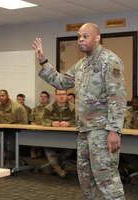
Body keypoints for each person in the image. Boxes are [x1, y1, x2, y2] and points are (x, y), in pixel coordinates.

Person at [33, 23, 126, 199]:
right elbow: (61, 82)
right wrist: (43, 61)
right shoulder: (81, 65)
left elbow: (117, 97)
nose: (80, 40)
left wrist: (114, 130)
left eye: (85, 36)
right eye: (78, 37)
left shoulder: (109, 60)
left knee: (106, 178)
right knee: (85, 177)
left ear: (97, 38)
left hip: (102, 130)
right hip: (84, 129)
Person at [42, 89, 76, 178]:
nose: (61, 96)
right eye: (59, 94)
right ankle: (58, 170)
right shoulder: (49, 107)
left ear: (66, 95)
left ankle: (53, 166)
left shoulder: (74, 108)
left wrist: (69, 123)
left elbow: (78, 120)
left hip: (69, 137)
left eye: (64, 94)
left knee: (70, 149)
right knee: (47, 146)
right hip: (52, 136)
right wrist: (51, 123)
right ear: (55, 96)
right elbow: (44, 120)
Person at [0, 89, 27, 165]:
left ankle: (9, 162)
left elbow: (24, 123)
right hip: (1, 131)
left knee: (9, 141)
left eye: (3, 96)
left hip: (15, 132)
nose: (1, 98)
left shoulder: (17, 107)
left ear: (8, 96)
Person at [29, 91, 50, 159]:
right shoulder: (35, 109)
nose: (43, 98)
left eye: (45, 97)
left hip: (47, 131)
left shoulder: (50, 109)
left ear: (48, 99)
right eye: (41, 96)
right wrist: (34, 126)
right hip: (36, 131)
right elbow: (31, 120)